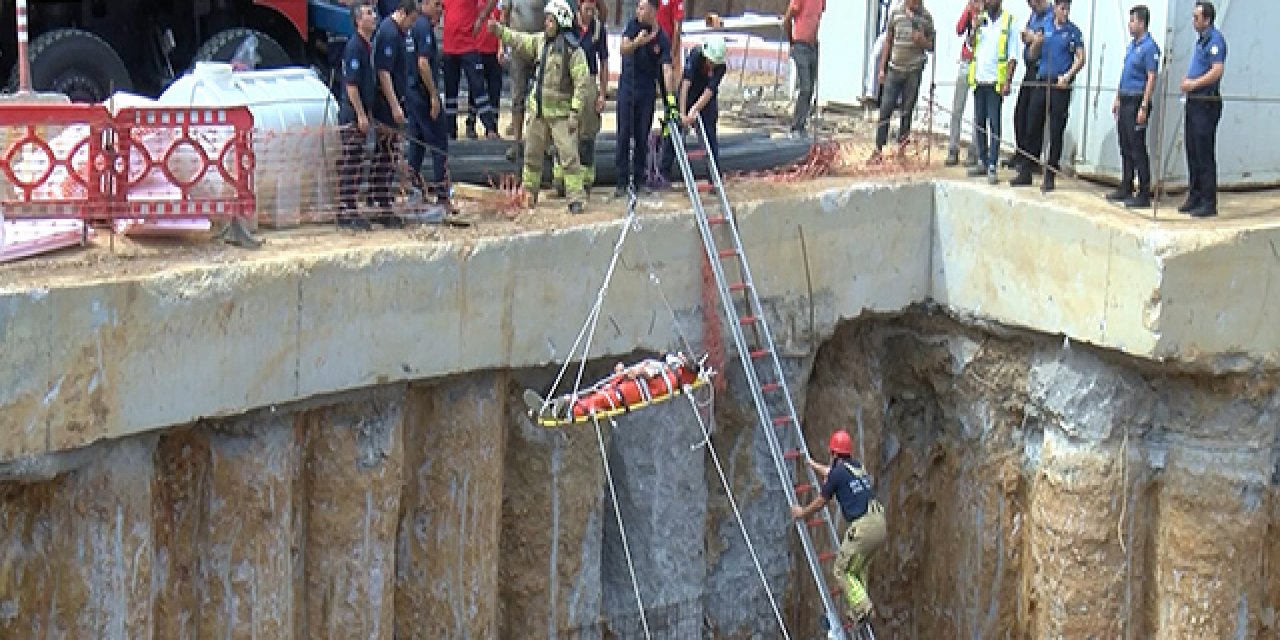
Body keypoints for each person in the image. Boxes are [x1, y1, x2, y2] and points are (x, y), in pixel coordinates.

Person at [487, 0, 590, 213]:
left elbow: (582, 83)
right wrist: (499, 31)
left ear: (560, 22)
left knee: (569, 158)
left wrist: (575, 113)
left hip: (562, 115)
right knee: (532, 157)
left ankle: (576, 198)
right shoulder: (541, 42)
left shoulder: (573, 51)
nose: (546, 24)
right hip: (538, 112)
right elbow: (519, 40)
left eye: (550, 20)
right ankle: (529, 193)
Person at [790, 430, 887, 630]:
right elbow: (832, 474)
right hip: (879, 523)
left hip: (864, 527)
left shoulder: (838, 473)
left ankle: (863, 609)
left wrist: (801, 513)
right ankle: (858, 614)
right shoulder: (856, 467)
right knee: (858, 569)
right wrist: (812, 464)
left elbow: (819, 503)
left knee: (841, 570)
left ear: (834, 454)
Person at [1010, 0, 1083, 192]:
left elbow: (1081, 58)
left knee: (1056, 130)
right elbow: (1033, 55)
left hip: (1059, 84)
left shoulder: (1073, 31)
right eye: (1061, 8)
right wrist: (1036, 42)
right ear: (1055, 8)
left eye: (1067, 8)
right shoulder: (1045, 27)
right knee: (1032, 124)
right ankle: (1026, 170)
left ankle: (1050, 174)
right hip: (1042, 81)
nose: (1064, 12)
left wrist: (1067, 76)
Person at [523, 352, 702, 422]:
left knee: (601, 400)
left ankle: (566, 411)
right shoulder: (671, 374)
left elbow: (646, 374)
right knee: (597, 394)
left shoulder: (669, 375)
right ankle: (557, 407)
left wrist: (628, 372)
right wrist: (625, 372)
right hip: (631, 386)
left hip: (633, 390)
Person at [615, 0, 674, 198]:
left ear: (653, 11)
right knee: (624, 135)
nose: (638, 11)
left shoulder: (662, 39)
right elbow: (623, 49)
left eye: (642, 8)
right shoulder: (633, 27)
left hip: (647, 91)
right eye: (638, 7)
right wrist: (638, 42)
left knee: (642, 136)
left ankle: (639, 179)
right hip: (627, 88)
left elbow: (666, 68)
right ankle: (622, 181)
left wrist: (670, 96)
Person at [369, 0, 419, 228]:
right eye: (411, 21)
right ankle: (381, 202)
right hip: (386, 105)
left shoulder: (396, 32)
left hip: (394, 101)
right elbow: (384, 73)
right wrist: (394, 106)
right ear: (404, 14)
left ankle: (378, 197)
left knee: (386, 153)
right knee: (386, 154)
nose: (411, 26)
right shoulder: (389, 33)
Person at [554, 0, 609, 195]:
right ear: (579, 6)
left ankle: (585, 178)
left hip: (589, 81)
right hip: (568, 82)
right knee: (566, 129)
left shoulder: (599, 30)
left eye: (593, 9)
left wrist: (602, 93)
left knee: (587, 132)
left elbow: (603, 62)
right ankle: (561, 178)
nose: (590, 13)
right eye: (587, 9)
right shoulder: (567, 26)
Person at [1107, 5, 1159, 208]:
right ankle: (1125, 185)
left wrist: (1144, 106)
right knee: (1125, 145)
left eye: (1132, 21)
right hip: (1126, 99)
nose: (1129, 25)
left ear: (1141, 22)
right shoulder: (1132, 46)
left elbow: (1151, 77)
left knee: (1137, 147)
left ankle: (1144, 192)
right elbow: (1125, 74)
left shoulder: (1149, 47)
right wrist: (1118, 97)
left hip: (1138, 100)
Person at [1179, 1, 1227, 218]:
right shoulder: (1201, 42)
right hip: (1194, 101)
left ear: (1207, 20)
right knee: (1192, 150)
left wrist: (1193, 83)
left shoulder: (1215, 40)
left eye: (1196, 17)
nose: (1193, 21)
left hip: (1206, 102)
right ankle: (1195, 195)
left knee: (1204, 152)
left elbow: (1217, 71)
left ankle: (1209, 201)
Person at [872, 0, 935, 163]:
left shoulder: (927, 17)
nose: (915, 4)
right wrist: (882, 68)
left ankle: (901, 151)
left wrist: (922, 42)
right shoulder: (896, 13)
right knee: (885, 110)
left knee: (907, 111)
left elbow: (932, 45)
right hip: (894, 69)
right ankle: (878, 150)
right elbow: (888, 40)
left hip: (913, 71)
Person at [406, 0, 454, 212]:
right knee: (438, 145)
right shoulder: (423, 26)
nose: (440, 10)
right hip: (423, 95)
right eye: (436, 4)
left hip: (412, 93)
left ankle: (414, 191)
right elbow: (423, 63)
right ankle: (443, 196)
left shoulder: (414, 27)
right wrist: (434, 96)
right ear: (424, 4)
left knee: (416, 144)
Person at [661, 37, 728, 183]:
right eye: (710, 62)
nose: (711, 66)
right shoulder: (695, 55)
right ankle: (664, 172)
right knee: (675, 130)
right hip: (689, 92)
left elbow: (709, 92)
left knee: (710, 133)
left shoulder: (721, 67)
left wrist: (694, 111)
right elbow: (685, 85)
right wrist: (683, 113)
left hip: (705, 99)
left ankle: (714, 176)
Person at [337, 2, 379, 231]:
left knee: (357, 161)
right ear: (357, 21)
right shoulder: (355, 47)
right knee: (351, 162)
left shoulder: (367, 46)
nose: (374, 17)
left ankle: (351, 206)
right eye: (368, 14)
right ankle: (346, 209)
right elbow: (351, 86)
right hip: (352, 115)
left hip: (362, 112)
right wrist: (361, 115)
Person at [965, 0, 1017, 184]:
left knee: (994, 124)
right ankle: (982, 160)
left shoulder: (1009, 21)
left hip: (996, 81)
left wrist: (1007, 81)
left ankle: (993, 164)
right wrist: (973, 28)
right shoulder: (981, 20)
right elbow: (971, 45)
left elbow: (1012, 56)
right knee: (979, 123)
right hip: (979, 80)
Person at [442, 0, 499, 140]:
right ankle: (450, 130)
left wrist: (481, 18)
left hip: (468, 44)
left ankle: (489, 127)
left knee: (478, 86)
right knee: (450, 92)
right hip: (449, 45)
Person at [501, 0, 546, 160]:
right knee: (517, 97)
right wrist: (501, 45)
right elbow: (504, 14)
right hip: (518, 49)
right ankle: (517, 143)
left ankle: (542, 142)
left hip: (540, 48)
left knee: (542, 96)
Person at [1008, 0, 1050, 173]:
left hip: (1042, 71)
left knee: (1034, 117)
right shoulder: (1034, 15)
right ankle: (1021, 152)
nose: (1031, 7)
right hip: (1030, 70)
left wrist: (1034, 38)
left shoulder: (1050, 17)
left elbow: (1048, 40)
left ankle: (1031, 159)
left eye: (1033, 3)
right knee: (1020, 113)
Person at [946, 0, 982, 166]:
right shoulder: (969, 12)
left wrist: (978, 24)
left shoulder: (989, 17)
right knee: (957, 107)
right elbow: (959, 30)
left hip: (980, 63)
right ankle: (953, 148)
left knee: (978, 111)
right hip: (966, 62)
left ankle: (974, 151)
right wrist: (968, 12)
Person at [783, 0, 825, 137]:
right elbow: (787, 20)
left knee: (810, 88)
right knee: (805, 87)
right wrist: (792, 42)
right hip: (800, 44)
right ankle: (796, 127)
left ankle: (802, 124)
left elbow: (817, 18)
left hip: (812, 45)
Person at [468, 4, 505, 139]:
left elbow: (503, 24)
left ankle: (492, 126)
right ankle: (470, 123)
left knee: (494, 90)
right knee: (475, 90)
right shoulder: (475, 4)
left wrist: (501, 48)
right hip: (477, 50)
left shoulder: (499, 4)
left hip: (494, 52)